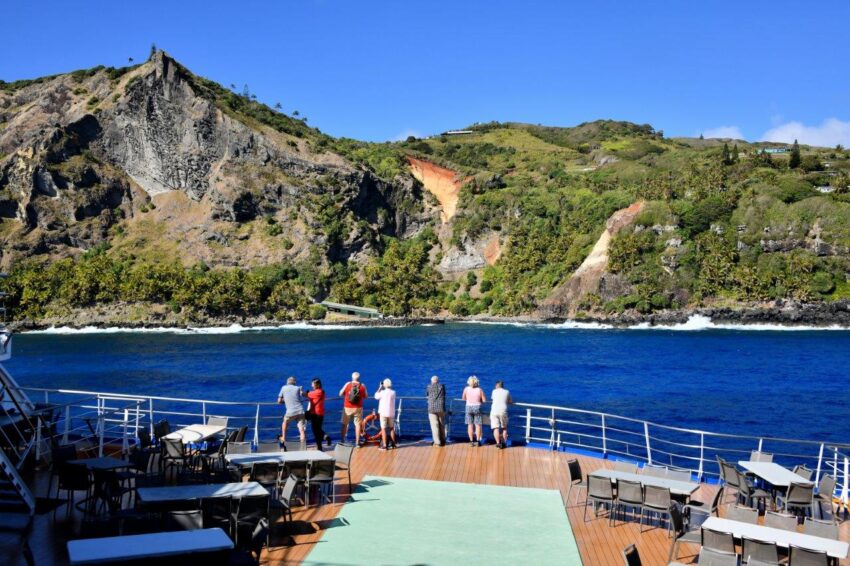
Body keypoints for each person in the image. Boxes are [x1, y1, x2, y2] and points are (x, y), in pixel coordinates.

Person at [339, 372, 367, 446]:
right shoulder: (362, 386)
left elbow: (340, 394)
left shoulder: (348, 384)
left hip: (347, 407)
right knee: (358, 425)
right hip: (358, 408)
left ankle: (342, 440)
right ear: (359, 378)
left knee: (344, 424)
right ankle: (357, 443)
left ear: (352, 377)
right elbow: (366, 396)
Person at [277, 376, 306, 445]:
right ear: (294, 382)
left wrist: (285, 401)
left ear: (287, 382)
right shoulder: (298, 388)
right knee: (301, 430)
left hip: (290, 412)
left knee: (285, 423)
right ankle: (303, 445)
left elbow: (279, 401)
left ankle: (283, 437)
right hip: (300, 411)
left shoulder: (283, 388)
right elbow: (300, 397)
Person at [306, 378, 332, 450]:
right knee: (318, 429)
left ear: (316, 384)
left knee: (315, 431)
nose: (311, 385)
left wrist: (301, 391)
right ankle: (322, 443)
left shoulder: (316, 393)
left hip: (315, 414)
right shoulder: (322, 392)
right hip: (321, 414)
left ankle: (323, 441)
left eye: (312, 384)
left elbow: (305, 394)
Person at [462, 375, 486, 446]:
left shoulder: (466, 389)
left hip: (468, 407)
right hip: (477, 407)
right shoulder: (479, 390)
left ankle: (471, 441)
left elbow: (463, 398)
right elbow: (484, 400)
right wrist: (480, 401)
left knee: (470, 425)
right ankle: (478, 441)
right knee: (478, 425)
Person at [374, 378, 397, 450]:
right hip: (391, 413)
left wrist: (380, 387)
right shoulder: (393, 392)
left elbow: (376, 396)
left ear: (384, 385)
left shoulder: (382, 392)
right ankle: (393, 444)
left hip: (383, 413)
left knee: (383, 429)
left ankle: (384, 445)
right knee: (391, 428)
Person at [489, 380, 513, 449]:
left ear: (497, 385)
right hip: (503, 411)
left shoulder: (494, 391)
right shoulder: (507, 392)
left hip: (494, 411)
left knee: (495, 428)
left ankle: (498, 443)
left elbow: (493, 399)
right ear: (502, 386)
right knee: (504, 428)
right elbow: (510, 402)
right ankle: (504, 443)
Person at [426, 375, 446, 446]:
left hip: (431, 408)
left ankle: (437, 442)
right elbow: (444, 394)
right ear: (438, 380)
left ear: (432, 381)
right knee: (442, 424)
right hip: (441, 407)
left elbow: (427, 394)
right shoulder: (442, 386)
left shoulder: (429, 386)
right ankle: (443, 439)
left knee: (434, 425)